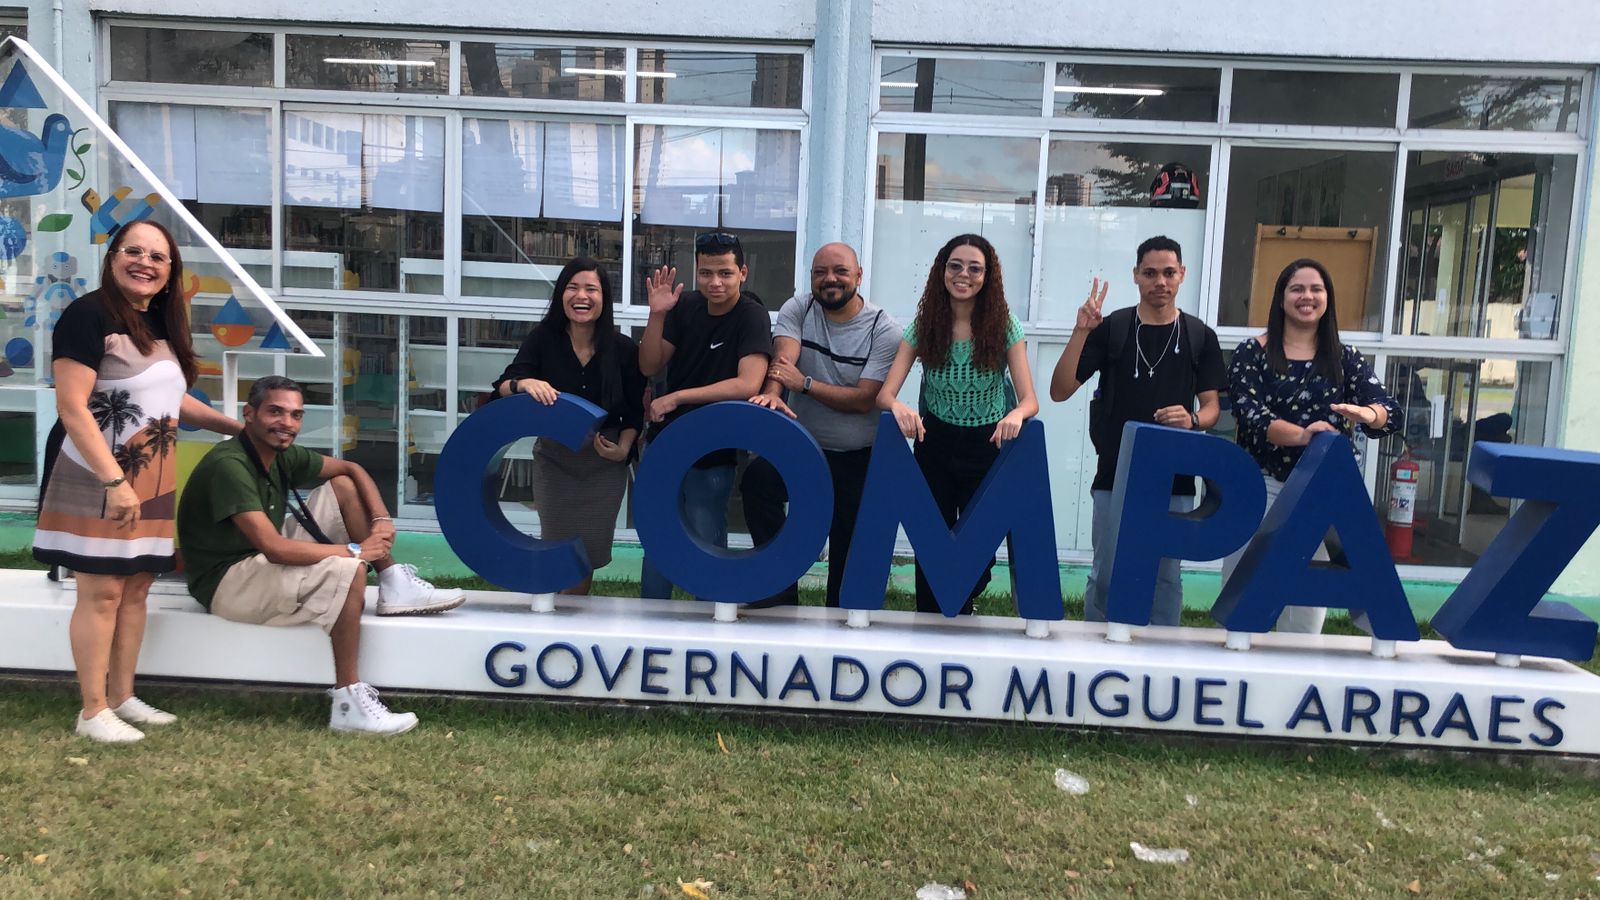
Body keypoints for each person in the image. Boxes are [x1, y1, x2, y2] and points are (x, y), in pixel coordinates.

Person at [33, 221, 243, 743]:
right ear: (113, 257)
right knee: (101, 591)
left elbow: (169, 400)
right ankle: (92, 709)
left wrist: (240, 430)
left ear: (171, 272)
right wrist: (113, 482)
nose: (145, 262)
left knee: (136, 589)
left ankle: (124, 697)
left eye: (158, 256)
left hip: (152, 472)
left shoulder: (160, 324)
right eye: (134, 251)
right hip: (95, 474)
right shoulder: (86, 315)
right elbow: (72, 407)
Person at [176, 376, 465, 735]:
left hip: (259, 557)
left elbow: (352, 470)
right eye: (275, 412)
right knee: (349, 569)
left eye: (296, 415)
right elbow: (274, 548)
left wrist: (380, 521)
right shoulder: (230, 465)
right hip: (227, 581)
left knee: (342, 487)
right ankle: (348, 701)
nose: (287, 424)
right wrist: (357, 551)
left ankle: (392, 581)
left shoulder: (277, 454)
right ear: (249, 414)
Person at [1049, 235, 1225, 627]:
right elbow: (1059, 391)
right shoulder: (1113, 328)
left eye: (1168, 273)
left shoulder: (1199, 336)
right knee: (1108, 571)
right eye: (1150, 273)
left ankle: (1162, 659)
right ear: (1136, 276)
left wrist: (1193, 419)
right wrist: (1080, 331)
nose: (1159, 281)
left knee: (1166, 576)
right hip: (1115, 474)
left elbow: (1213, 408)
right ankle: (1098, 649)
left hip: (1175, 479)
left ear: (1182, 275)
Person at [1222, 258, 1400, 633]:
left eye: (1316, 289)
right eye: (1297, 289)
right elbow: (1252, 416)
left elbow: (1389, 412)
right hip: (1263, 485)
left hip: (1323, 492)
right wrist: (1305, 435)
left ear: (1327, 298)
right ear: (1282, 297)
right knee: (1242, 598)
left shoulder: (1344, 357)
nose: (1307, 297)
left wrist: (1367, 414)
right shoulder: (1251, 353)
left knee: (1304, 613)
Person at [876, 233, 1039, 615]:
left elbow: (1030, 399)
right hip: (935, 443)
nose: (963, 274)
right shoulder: (925, 325)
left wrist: (1015, 414)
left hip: (988, 445)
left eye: (974, 267)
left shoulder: (1004, 326)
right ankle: (933, 626)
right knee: (932, 545)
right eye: (955, 265)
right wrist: (899, 408)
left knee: (979, 551)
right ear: (942, 271)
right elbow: (885, 394)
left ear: (987, 276)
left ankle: (961, 609)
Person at [742, 242, 901, 607]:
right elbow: (785, 358)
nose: (830, 279)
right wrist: (774, 392)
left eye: (840, 271)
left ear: (859, 276)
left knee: (847, 553)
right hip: (802, 448)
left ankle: (840, 626)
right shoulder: (800, 307)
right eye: (820, 272)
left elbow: (865, 399)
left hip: (859, 457)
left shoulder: (884, 329)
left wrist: (805, 384)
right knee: (757, 482)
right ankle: (777, 595)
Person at [490, 258, 645, 594]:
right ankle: (553, 615)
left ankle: (573, 618)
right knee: (558, 546)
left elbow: (634, 412)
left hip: (604, 465)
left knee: (585, 554)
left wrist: (624, 449)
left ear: (604, 299)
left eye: (591, 288)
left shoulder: (622, 349)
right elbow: (502, 385)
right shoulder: (543, 339)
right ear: (561, 294)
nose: (582, 296)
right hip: (556, 461)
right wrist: (524, 384)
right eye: (573, 287)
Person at [636, 232, 773, 601]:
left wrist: (678, 396)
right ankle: (651, 618)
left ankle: (710, 616)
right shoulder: (686, 307)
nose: (715, 282)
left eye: (725, 273)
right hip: (667, 439)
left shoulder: (752, 315)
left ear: (742, 273)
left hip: (714, 445)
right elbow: (649, 363)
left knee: (706, 532)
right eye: (706, 272)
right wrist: (657, 314)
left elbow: (747, 384)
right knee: (658, 534)